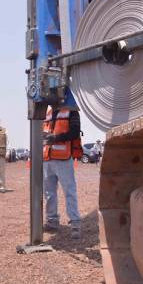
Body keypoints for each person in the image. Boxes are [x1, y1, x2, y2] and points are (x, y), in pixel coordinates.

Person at [42, 100, 83, 239]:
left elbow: (75, 132)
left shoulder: (71, 111)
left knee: (69, 191)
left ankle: (75, 224)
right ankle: (52, 221)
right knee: (49, 193)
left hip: (64, 158)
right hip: (48, 158)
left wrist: (56, 138)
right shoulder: (47, 113)